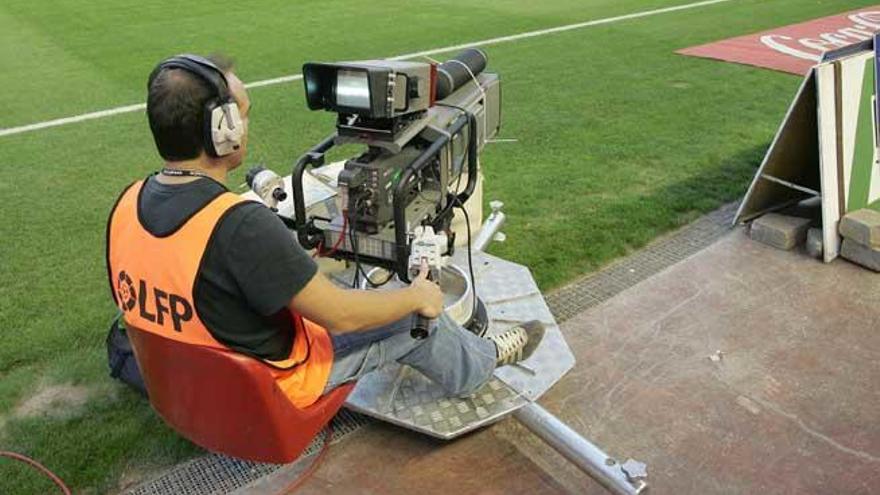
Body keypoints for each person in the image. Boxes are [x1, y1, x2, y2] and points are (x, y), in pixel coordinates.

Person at [106, 53, 544, 410]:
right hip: (267, 391)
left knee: (325, 277)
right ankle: (481, 363)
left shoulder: (127, 202)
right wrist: (416, 296)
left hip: (189, 388)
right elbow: (342, 316)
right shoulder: (239, 224)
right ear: (223, 130)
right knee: (416, 318)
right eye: (242, 114)